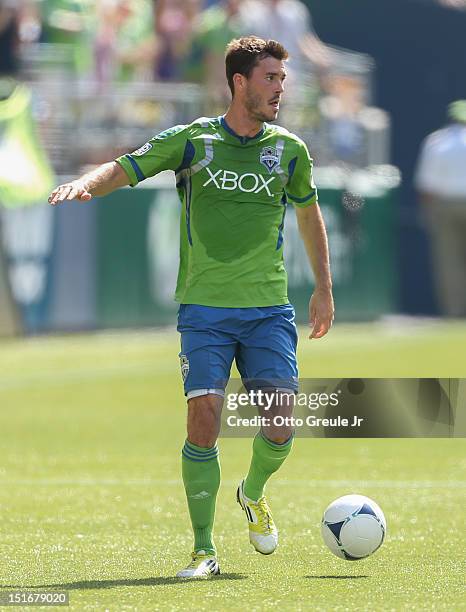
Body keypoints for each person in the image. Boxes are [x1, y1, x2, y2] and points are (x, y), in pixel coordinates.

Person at [48, 36, 334, 578]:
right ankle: (204, 550)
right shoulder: (193, 142)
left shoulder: (290, 150)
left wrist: (323, 286)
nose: (280, 89)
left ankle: (252, 492)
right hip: (204, 307)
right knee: (204, 418)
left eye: (282, 79)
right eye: (270, 78)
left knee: (279, 424)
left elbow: (308, 216)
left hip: (269, 308)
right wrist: (85, 183)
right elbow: (127, 166)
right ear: (239, 83)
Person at [414, 100, 466, 318]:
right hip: (449, 203)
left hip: (444, 205)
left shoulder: (436, 141)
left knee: (448, 263)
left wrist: (427, 213)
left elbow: (426, 185)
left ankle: (454, 313)